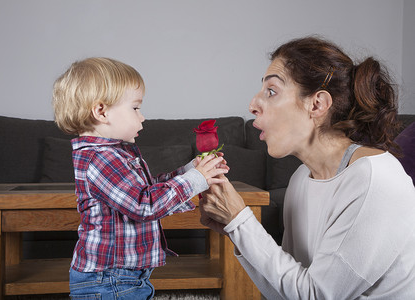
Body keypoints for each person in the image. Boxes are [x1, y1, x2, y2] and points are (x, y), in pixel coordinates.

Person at [199, 36, 415, 299]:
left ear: (317, 104)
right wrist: (236, 231)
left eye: (272, 91)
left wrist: (241, 222)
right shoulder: (301, 178)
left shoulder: (375, 179)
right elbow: (288, 291)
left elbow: (316, 296)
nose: (253, 105)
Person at [52, 57, 228, 299]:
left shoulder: (115, 153)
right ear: (101, 112)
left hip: (121, 276)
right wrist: (196, 180)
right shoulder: (100, 158)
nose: (142, 116)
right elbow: (144, 204)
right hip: (108, 279)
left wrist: (191, 171)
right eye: (135, 108)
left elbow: (148, 189)